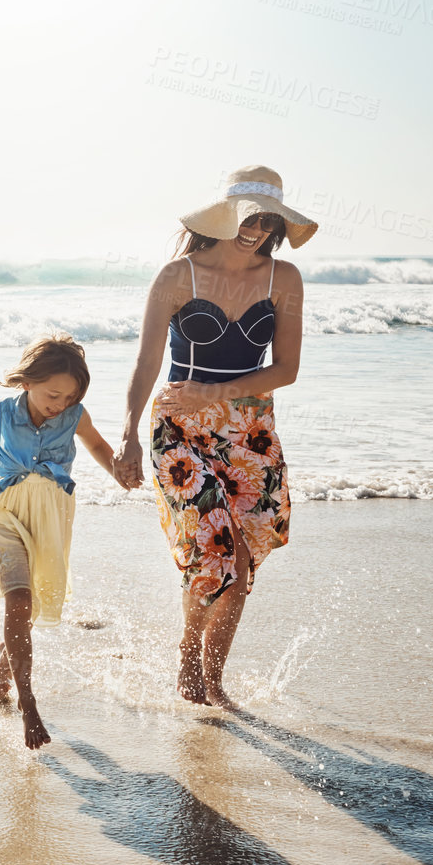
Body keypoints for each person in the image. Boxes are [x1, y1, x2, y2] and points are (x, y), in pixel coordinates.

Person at [114, 165, 317, 709]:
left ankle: (213, 675)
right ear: (227, 215)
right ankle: (189, 659)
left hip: (250, 432)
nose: (258, 229)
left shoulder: (285, 278)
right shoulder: (178, 275)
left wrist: (216, 396)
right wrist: (129, 434)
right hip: (180, 426)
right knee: (214, 549)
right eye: (250, 217)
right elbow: (146, 362)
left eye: (268, 220)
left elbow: (287, 369)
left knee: (243, 559)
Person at [0, 332, 128, 749]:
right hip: (0, 512)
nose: (60, 404)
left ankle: (5, 664)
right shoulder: (2, 410)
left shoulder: (75, 416)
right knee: (18, 600)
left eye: (69, 397)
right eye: (54, 394)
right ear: (27, 382)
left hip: (49, 517)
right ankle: (28, 703)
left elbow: (98, 447)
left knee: (32, 600)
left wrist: (121, 473)